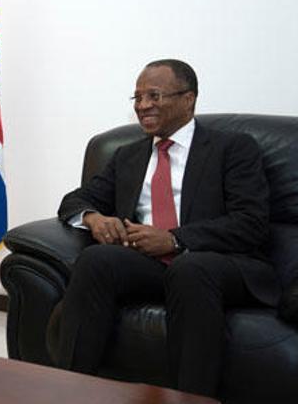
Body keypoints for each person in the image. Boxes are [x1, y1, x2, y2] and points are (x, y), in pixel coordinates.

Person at [54, 59, 279, 397]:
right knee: (97, 260)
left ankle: (193, 397)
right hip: (149, 265)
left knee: (190, 268)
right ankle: (71, 390)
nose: (144, 105)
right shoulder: (128, 155)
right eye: (138, 98)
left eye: (154, 96)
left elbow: (250, 223)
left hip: (215, 262)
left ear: (188, 99)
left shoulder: (232, 148)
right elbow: (76, 200)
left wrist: (175, 239)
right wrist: (94, 219)